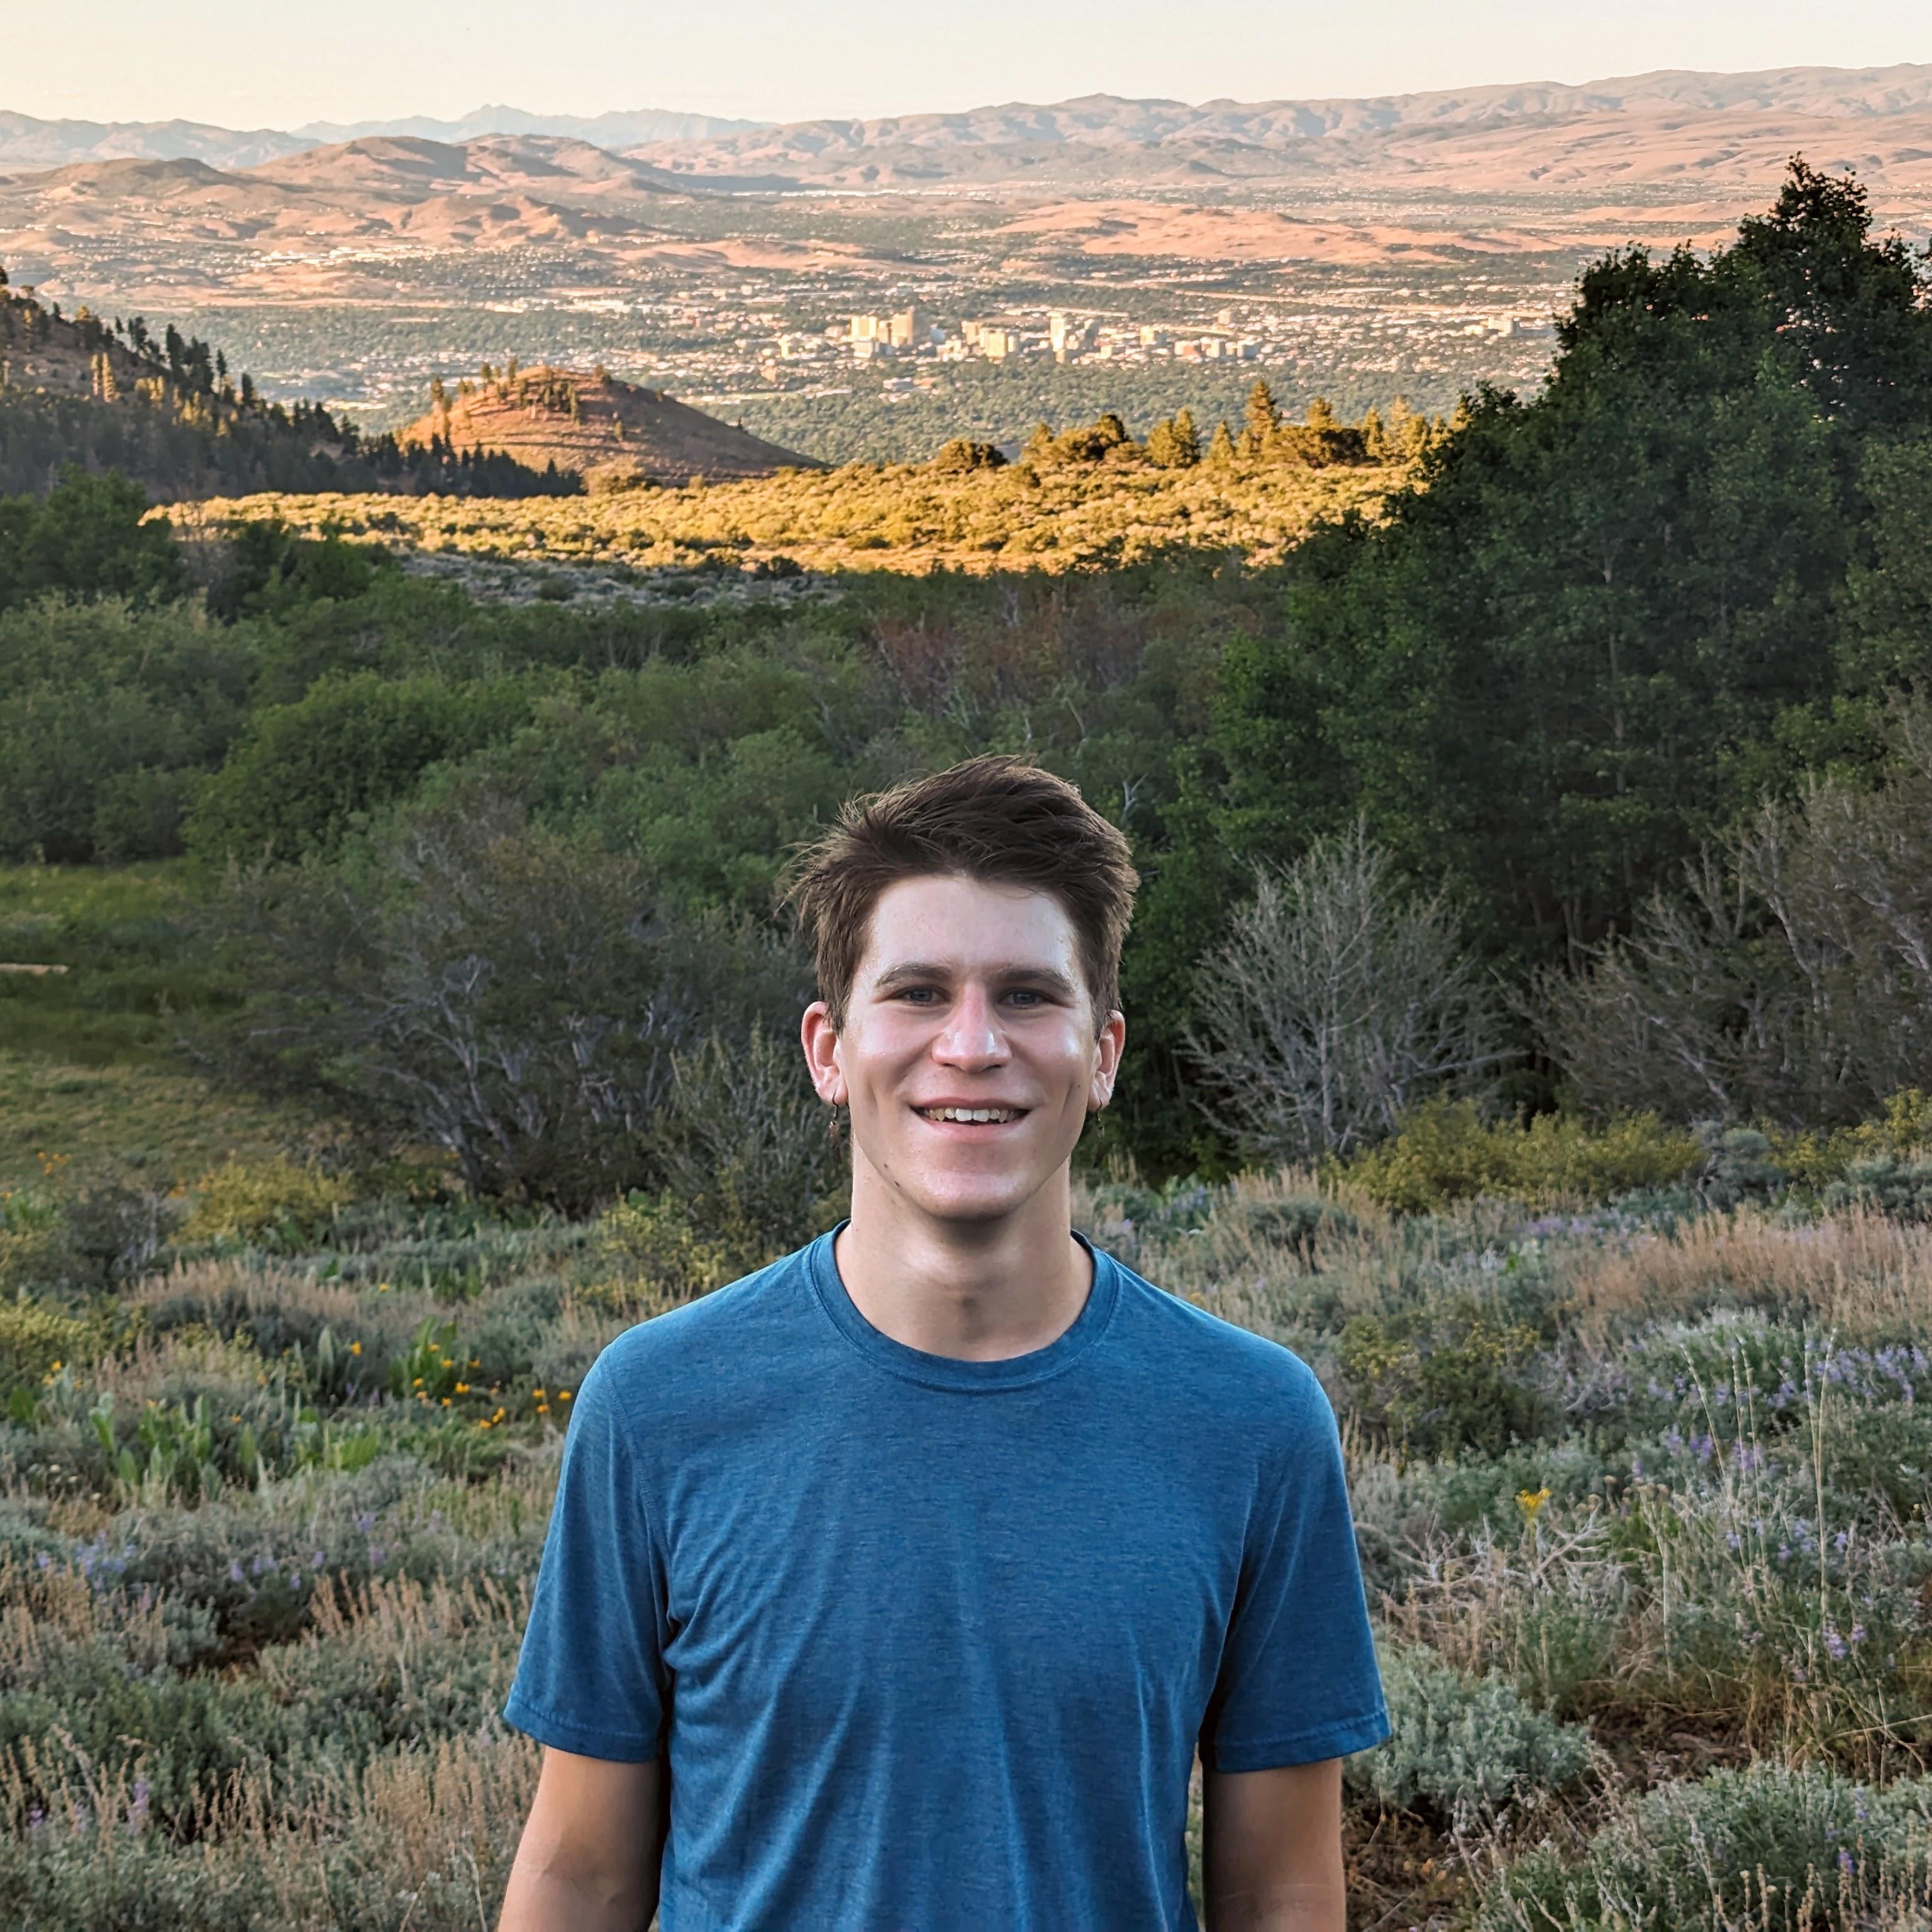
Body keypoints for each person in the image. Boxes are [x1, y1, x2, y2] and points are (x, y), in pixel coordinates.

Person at [497, 756, 1389, 1931]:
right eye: (918, 992)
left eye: (1027, 995)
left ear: (1105, 1052)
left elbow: (1280, 1889)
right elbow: (580, 1874)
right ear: (829, 1049)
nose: (971, 1046)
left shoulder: (1253, 1422)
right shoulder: (659, 1405)